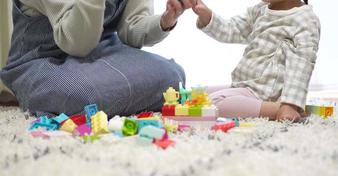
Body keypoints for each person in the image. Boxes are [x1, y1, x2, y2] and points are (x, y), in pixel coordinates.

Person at [0, 0, 194, 117]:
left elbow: (132, 30)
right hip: (41, 58)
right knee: (82, 94)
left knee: (173, 76)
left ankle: (105, 95)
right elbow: (77, 43)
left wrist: (166, 19)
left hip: (103, 51)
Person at [192, 0, 320, 121]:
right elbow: (233, 29)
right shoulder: (260, 10)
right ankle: (257, 105)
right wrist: (207, 16)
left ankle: (276, 109)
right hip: (247, 85)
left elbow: (302, 66)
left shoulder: (305, 19)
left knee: (212, 103)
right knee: (196, 95)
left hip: (266, 93)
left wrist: (290, 105)